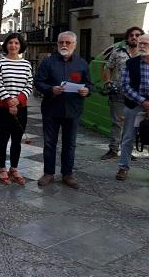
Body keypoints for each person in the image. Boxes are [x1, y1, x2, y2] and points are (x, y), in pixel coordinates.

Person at [34, 31, 91, 189]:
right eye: (61, 42)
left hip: (73, 110)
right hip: (52, 108)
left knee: (70, 144)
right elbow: (38, 82)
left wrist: (87, 90)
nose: (64, 45)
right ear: (57, 44)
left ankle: (67, 174)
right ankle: (48, 173)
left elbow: (89, 84)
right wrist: (51, 89)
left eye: (68, 42)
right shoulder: (48, 62)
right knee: (49, 143)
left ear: (75, 45)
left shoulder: (82, 63)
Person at [0, 33, 33, 185]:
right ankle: (2, 168)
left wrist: (18, 101)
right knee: (3, 137)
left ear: (20, 45)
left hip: (21, 107)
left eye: (16, 43)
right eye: (10, 43)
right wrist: (9, 101)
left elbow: (29, 84)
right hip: (3, 108)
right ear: (6, 45)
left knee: (17, 139)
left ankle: (14, 168)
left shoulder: (27, 65)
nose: (13, 46)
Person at [101, 26, 144, 160]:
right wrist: (108, 82)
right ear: (127, 37)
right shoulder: (118, 52)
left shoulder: (144, 53)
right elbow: (108, 68)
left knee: (132, 124)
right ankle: (113, 149)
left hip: (137, 95)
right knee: (116, 122)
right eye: (131, 35)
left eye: (137, 35)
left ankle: (127, 151)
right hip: (118, 92)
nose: (134, 37)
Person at [115, 33, 149, 181]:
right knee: (128, 137)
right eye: (140, 43)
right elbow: (125, 86)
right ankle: (123, 167)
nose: (141, 46)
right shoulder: (131, 63)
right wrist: (143, 101)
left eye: (145, 44)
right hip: (134, 105)